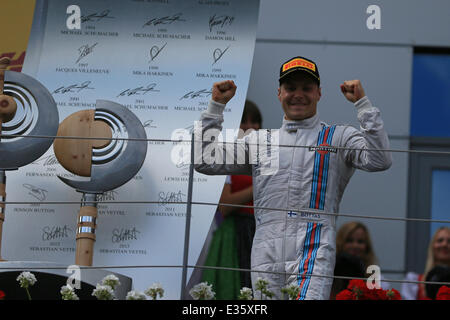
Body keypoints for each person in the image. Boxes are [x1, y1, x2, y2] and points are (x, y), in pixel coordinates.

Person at [194, 56, 392, 299]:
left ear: (319, 93)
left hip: (315, 245)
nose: (298, 94)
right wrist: (215, 107)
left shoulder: (338, 137)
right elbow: (204, 159)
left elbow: (380, 159)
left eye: (306, 88)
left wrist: (363, 105)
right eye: (290, 88)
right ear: (279, 93)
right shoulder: (260, 140)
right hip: (266, 247)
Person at [201, 100, 262, 299]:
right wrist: (262, 184)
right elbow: (225, 205)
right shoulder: (225, 157)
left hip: (260, 230)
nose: (251, 127)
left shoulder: (266, 156)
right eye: (244, 121)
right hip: (235, 233)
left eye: (255, 121)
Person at [335, 221, 390, 289]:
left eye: (360, 241)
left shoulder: (378, 280)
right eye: (349, 240)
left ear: (367, 246)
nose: (355, 245)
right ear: (340, 243)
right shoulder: (329, 276)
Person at [401, 226, 450, 300]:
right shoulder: (414, 282)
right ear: (432, 246)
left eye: (449, 241)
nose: (444, 244)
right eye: (440, 240)